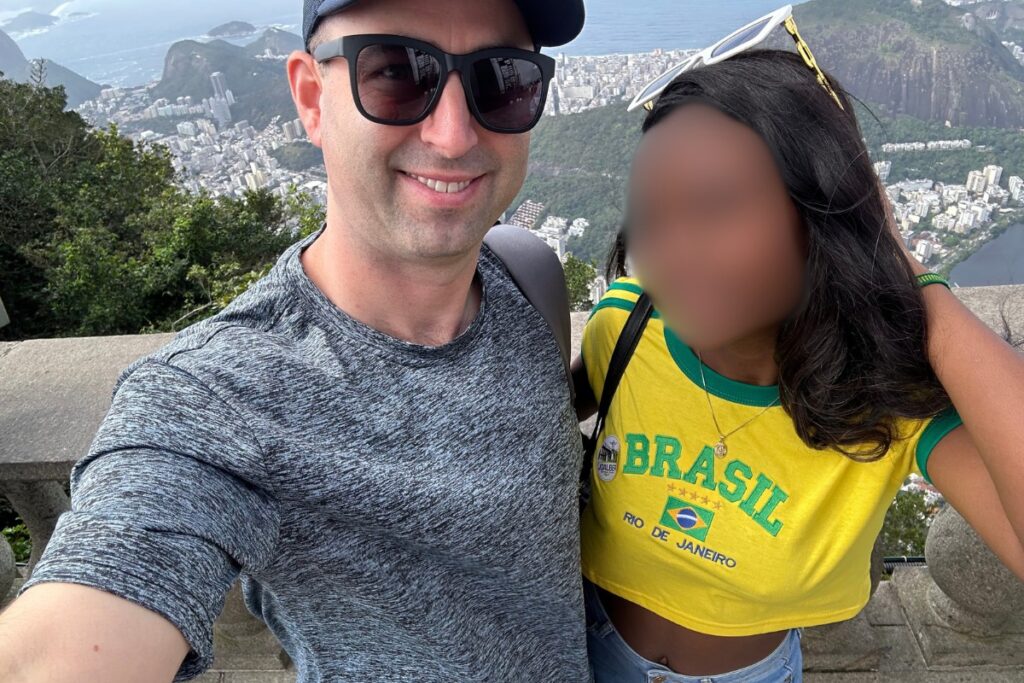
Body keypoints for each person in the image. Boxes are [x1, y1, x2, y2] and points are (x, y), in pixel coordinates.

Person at [0, 1, 593, 681]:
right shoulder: (218, 400)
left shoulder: (529, 278)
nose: (455, 134)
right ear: (312, 98)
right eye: (397, 73)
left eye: (501, 79)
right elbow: (64, 639)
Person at [572, 11, 1024, 683]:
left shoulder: (884, 397)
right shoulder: (624, 330)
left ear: (820, 221)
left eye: (717, 206)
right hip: (582, 652)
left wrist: (911, 281)